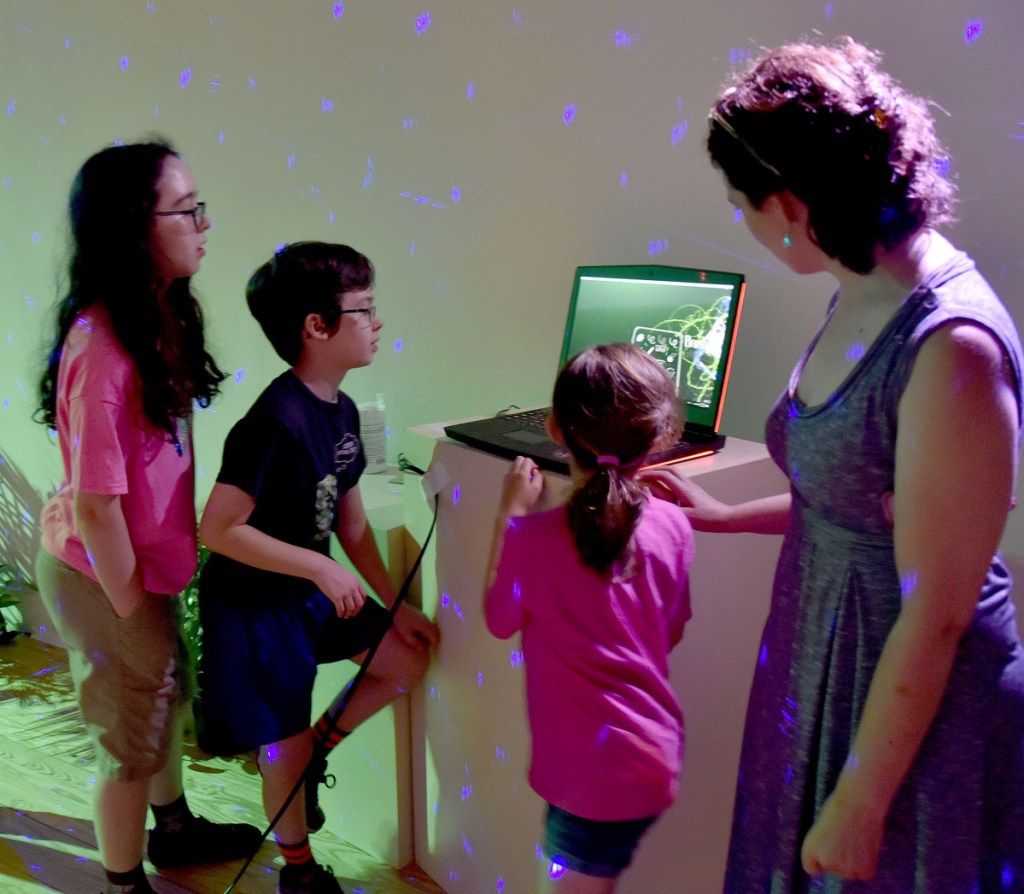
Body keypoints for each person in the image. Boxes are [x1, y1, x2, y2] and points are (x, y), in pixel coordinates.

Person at [643, 38, 1024, 892]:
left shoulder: (952, 348)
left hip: (907, 693)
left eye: (744, 204)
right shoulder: (860, 284)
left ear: (789, 205)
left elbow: (937, 616)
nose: (745, 222)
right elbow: (840, 494)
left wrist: (861, 795)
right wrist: (725, 517)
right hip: (820, 645)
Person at [34, 139, 262, 894]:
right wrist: (134, 612)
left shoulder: (156, 314)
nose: (204, 223)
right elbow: (98, 507)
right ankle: (123, 882)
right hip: (104, 577)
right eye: (187, 209)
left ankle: (174, 829)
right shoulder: (105, 349)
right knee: (129, 742)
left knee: (161, 700)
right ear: (134, 225)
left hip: (137, 567)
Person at [196, 242, 439, 894]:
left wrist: (397, 606)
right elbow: (218, 528)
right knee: (286, 737)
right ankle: (297, 869)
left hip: (309, 593)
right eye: (364, 310)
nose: (378, 323)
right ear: (316, 327)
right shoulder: (274, 420)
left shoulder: (343, 410)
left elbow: (352, 527)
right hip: (257, 607)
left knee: (404, 661)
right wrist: (318, 568)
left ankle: (315, 755)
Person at [484, 343, 696, 894]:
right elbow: (669, 631)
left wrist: (508, 515)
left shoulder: (532, 540)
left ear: (555, 428)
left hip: (589, 777)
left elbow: (499, 618)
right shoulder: (674, 526)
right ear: (659, 435)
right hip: (650, 757)